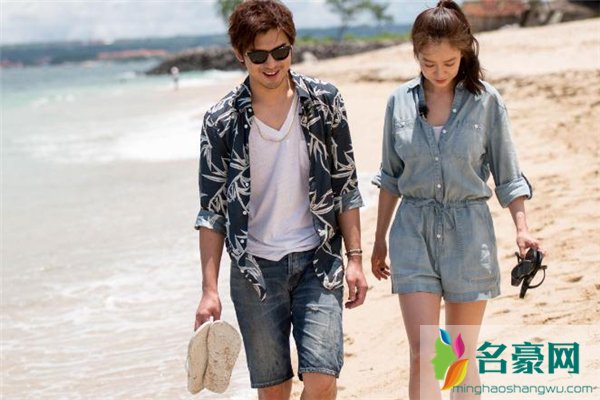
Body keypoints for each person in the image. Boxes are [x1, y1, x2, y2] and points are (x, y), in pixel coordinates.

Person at [193, 1, 368, 399]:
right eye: (258, 56)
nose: (271, 64)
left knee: (321, 379)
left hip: (318, 260)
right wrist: (209, 289)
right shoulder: (220, 121)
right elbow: (212, 213)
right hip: (254, 271)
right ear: (240, 55)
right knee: (273, 392)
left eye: (280, 51)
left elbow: (346, 185)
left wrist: (355, 259)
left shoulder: (324, 102)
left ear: (292, 45)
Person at [370, 1, 542, 399]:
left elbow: (508, 175)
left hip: (469, 234)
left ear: (464, 52)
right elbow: (390, 177)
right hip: (412, 234)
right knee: (425, 353)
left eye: (449, 63)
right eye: (429, 63)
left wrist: (522, 230)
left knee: (459, 356)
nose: (440, 72)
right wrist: (378, 240)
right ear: (416, 54)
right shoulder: (399, 102)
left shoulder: (487, 102)